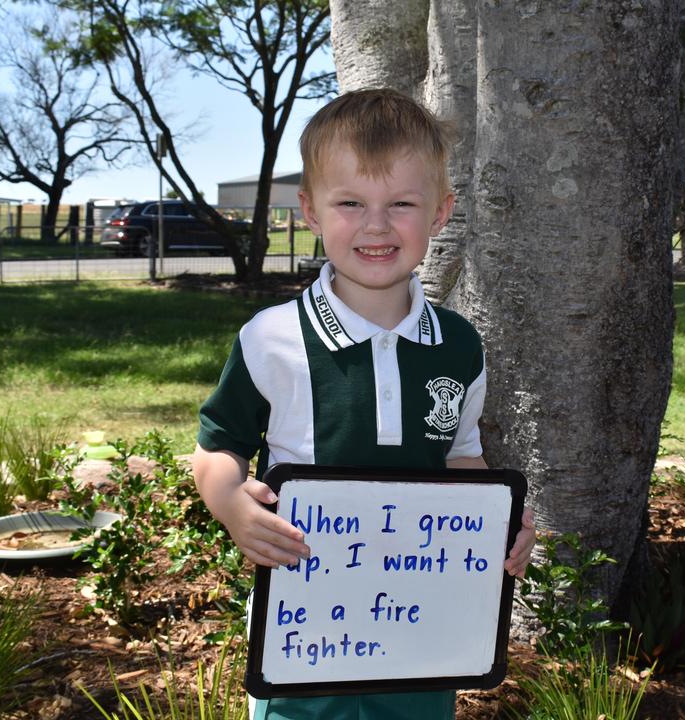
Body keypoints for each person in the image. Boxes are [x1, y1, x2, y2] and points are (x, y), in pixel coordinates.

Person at [192, 88, 537, 720]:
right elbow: (218, 449)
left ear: (440, 213)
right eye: (350, 202)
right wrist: (230, 506)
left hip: (423, 628)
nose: (376, 225)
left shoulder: (459, 346)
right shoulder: (271, 338)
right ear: (311, 212)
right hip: (302, 626)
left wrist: (499, 523)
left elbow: (462, 459)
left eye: (401, 204)